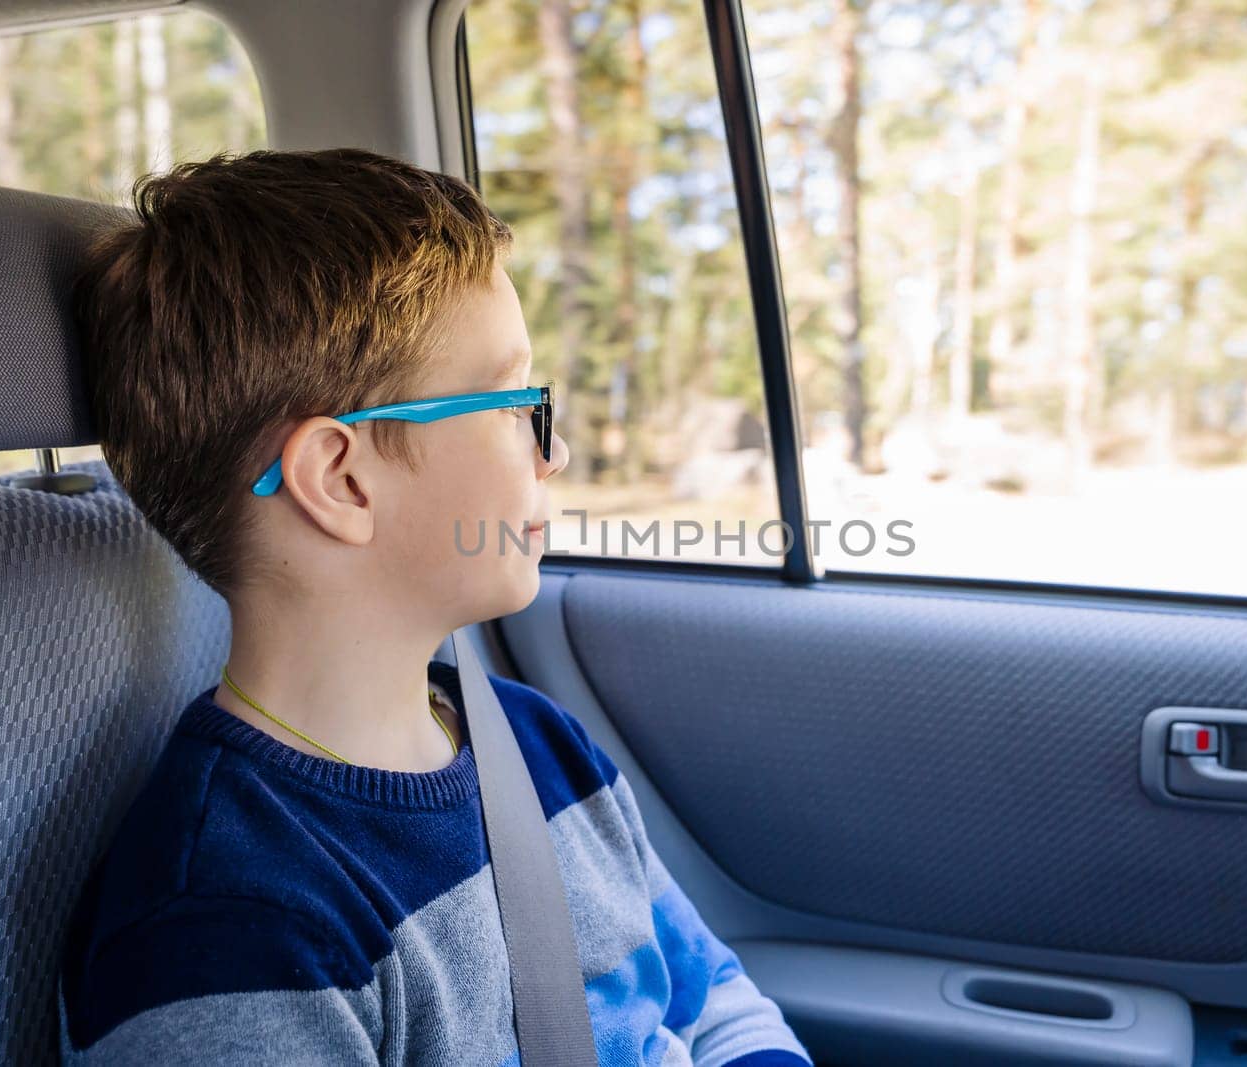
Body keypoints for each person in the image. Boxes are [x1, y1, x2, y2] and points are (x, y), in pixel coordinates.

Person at [55, 148, 811, 1067]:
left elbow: (717, 1004)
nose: (555, 449)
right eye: (514, 403)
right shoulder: (226, 938)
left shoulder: (536, 746)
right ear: (342, 478)